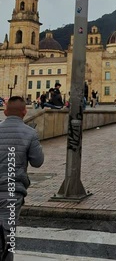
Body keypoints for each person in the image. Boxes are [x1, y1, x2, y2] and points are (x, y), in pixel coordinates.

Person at [0, 96, 44, 260]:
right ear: (24, 112)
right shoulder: (30, 133)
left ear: (5, 112)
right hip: (12, 194)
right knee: (7, 239)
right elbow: (37, 162)